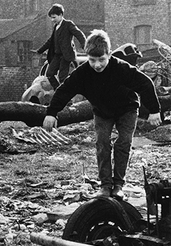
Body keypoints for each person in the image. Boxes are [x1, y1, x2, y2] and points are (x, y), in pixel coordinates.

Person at [43, 30, 162, 199]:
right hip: (102, 112)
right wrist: (51, 113)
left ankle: (118, 185)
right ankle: (105, 185)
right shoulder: (83, 73)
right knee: (102, 143)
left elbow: (145, 83)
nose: (97, 64)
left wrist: (154, 110)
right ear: (87, 57)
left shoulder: (121, 68)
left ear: (109, 54)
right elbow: (65, 90)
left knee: (124, 142)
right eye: (92, 60)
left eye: (101, 60)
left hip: (126, 109)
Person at [35, 3, 87, 89]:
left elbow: (79, 34)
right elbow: (50, 41)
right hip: (57, 55)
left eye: (54, 17)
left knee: (63, 77)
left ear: (61, 15)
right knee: (49, 74)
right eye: (51, 18)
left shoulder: (68, 24)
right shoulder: (56, 27)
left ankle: (66, 97)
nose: (52, 20)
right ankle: (59, 90)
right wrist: (39, 51)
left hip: (66, 55)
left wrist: (84, 45)